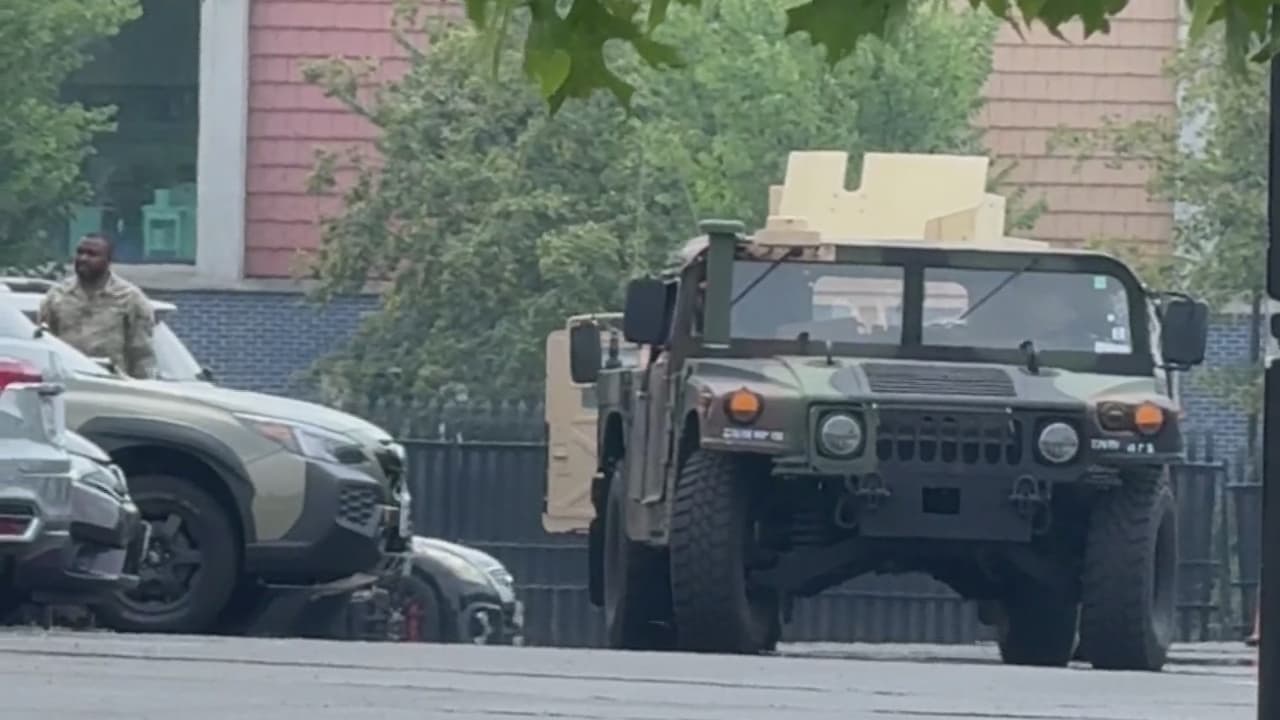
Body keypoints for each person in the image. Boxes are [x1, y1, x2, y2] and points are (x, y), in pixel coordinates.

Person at [39, 233, 157, 379]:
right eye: (80, 252)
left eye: (92, 254)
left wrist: (142, 386)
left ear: (108, 260)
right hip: (68, 381)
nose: (83, 258)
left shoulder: (129, 298)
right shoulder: (57, 295)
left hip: (111, 384)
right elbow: (45, 344)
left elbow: (142, 354)